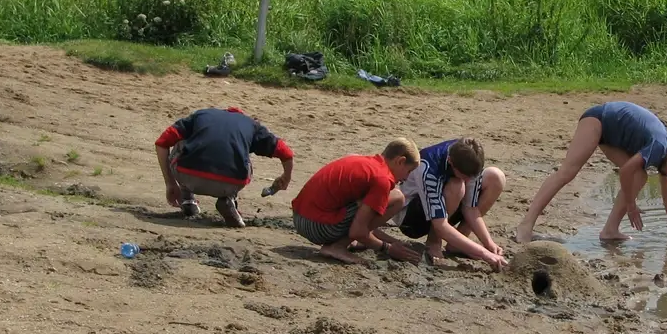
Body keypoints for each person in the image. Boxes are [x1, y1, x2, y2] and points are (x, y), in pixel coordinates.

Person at [514, 101, 667, 244]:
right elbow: (626, 170)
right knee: (567, 172)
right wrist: (631, 205)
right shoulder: (660, 145)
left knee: (640, 176)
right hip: (597, 120)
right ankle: (525, 227)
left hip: (611, 133)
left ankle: (610, 231)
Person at [155, 106, 294, 228]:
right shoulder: (252, 125)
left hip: (188, 175)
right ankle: (228, 198)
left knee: (182, 142)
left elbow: (162, 142)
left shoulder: (201, 115)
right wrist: (285, 177)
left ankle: (187, 198)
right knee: (241, 154)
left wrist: (170, 183)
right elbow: (286, 152)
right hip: (231, 182)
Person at [290, 138, 422, 264]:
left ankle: (346, 241)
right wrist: (387, 248)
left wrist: (393, 241)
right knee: (397, 198)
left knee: (375, 201)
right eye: (409, 171)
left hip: (299, 217)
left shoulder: (365, 162)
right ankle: (338, 246)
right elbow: (357, 231)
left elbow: (364, 220)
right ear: (400, 161)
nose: (406, 177)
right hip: (315, 227)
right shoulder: (382, 179)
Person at [389, 137, 508, 269]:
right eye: (465, 176)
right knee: (457, 186)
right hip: (410, 218)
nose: (470, 181)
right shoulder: (428, 167)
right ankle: (434, 242)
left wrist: (489, 244)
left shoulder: (468, 156)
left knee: (495, 177)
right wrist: (484, 254)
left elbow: (471, 209)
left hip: (442, 207)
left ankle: (457, 244)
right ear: (450, 161)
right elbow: (440, 225)